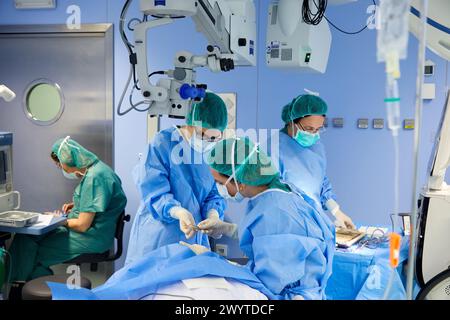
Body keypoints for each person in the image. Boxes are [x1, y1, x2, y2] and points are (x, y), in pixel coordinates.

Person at [196, 137, 336, 300]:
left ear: (240, 181)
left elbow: (268, 283)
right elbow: (266, 236)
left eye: (219, 183)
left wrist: (213, 262)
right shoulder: (279, 192)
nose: (218, 189)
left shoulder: (274, 212)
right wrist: (225, 228)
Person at [125, 92, 228, 265]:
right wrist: (177, 211)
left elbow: (212, 192)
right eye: (203, 135)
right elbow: (153, 191)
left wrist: (214, 213)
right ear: (190, 123)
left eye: (213, 138)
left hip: (193, 238)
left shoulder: (209, 152)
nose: (208, 141)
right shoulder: (162, 144)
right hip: (159, 236)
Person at [9, 137, 127, 282]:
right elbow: (102, 201)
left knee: (31, 253)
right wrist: (79, 204)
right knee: (25, 237)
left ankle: (25, 289)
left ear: (68, 160)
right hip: (93, 232)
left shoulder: (94, 178)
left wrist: (58, 220)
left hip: (89, 237)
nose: (62, 169)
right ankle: (18, 283)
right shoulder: (99, 169)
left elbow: (82, 225)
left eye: (59, 165)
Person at [274, 94, 355, 229]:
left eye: (318, 129)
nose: (313, 134)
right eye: (309, 129)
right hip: (283, 225)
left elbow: (319, 181)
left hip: (310, 223)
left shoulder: (315, 145)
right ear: (292, 122)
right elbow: (271, 196)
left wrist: (336, 211)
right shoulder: (273, 149)